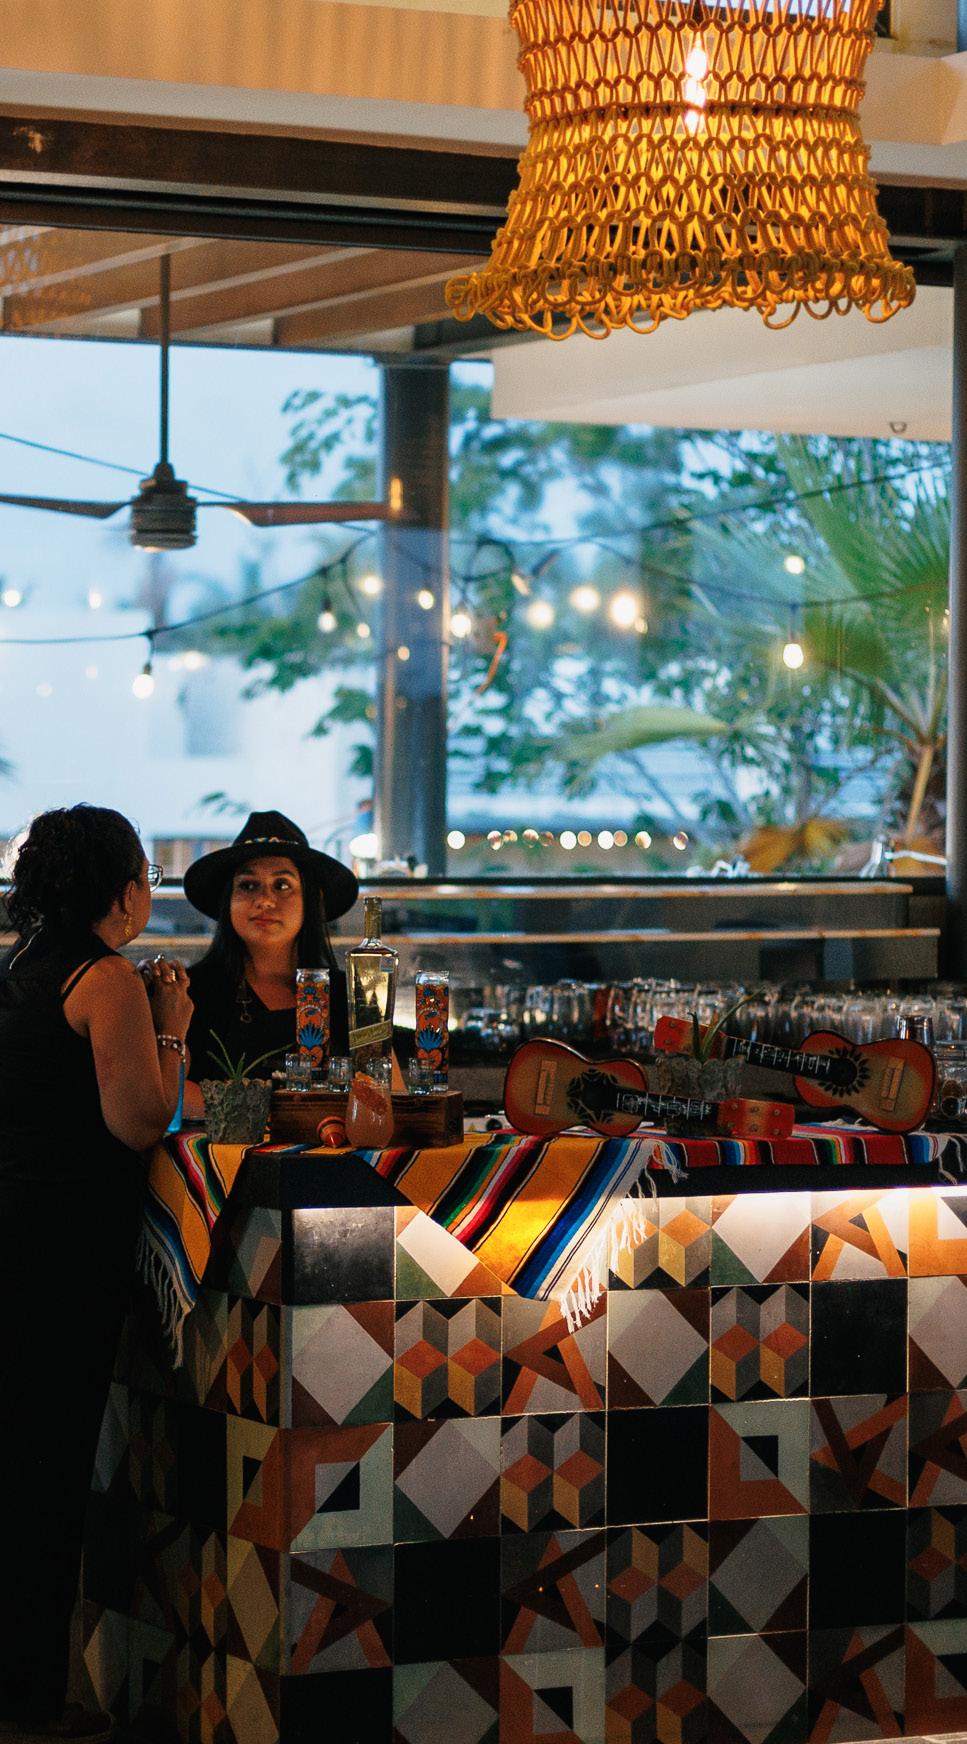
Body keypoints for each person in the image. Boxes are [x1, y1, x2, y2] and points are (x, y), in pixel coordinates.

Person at [0, 805, 192, 1743]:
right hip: (64, 1253)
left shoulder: (22, 964)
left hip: (17, 1230)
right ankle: (33, 1702)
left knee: (19, 1469)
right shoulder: (107, 977)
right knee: (47, 1477)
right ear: (124, 891)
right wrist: (173, 1028)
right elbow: (140, 1120)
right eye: (145, 876)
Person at [181, 810, 359, 1118]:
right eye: (248, 886)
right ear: (228, 900)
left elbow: (385, 1093)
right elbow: (168, 1093)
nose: (264, 900)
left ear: (312, 901)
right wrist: (279, 1114)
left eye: (282, 885)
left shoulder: (350, 997)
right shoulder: (189, 993)